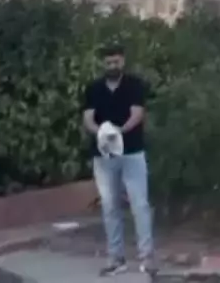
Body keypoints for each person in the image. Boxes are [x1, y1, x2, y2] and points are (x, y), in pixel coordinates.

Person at [82, 45, 155, 276]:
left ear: (123, 61)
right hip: (104, 155)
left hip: (132, 151)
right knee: (110, 206)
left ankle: (147, 257)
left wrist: (119, 132)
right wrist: (102, 133)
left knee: (139, 204)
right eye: (108, 63)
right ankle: (116, 258)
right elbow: (88, 118)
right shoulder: (93, 88)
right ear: (103, 64)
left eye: (116, 62)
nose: (112, 66)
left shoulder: (134, 85)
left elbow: (137, 114)